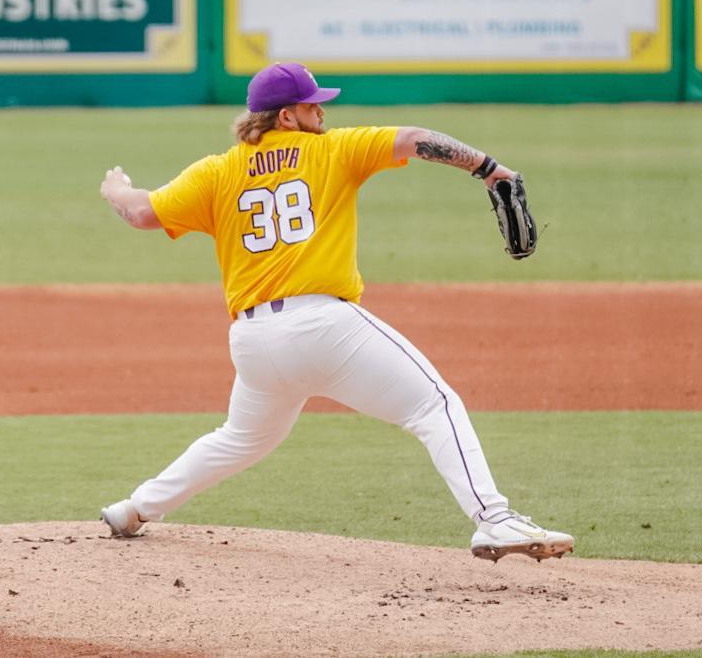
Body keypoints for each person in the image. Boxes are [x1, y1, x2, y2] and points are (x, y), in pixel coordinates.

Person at [98, 62, 574, 562]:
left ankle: (134, 508)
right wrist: (489, 169)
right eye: (312, 105)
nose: (322, 112)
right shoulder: (334, 149)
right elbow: (414, 138)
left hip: (254, 342)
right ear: (286, 116)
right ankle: (494, 520)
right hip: (324, 327)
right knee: (434, 406)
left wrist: (114, 190)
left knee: (240, 438)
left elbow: (143, 212)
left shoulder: (217, 171)